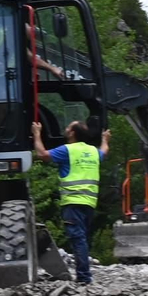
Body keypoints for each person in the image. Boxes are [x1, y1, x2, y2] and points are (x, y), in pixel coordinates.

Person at [33, 118, 108, 285]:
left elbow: (42, 155)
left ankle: (84, 278)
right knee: (83, 238)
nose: (65, 129)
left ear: (72, 133)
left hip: (73, 201)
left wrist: (37, 134)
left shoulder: (68, 150)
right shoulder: (93, 152)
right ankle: (84, 275)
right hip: (89, 202)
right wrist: (105, 139)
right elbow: (105, 151)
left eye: (68, 127)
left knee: (78, 238)